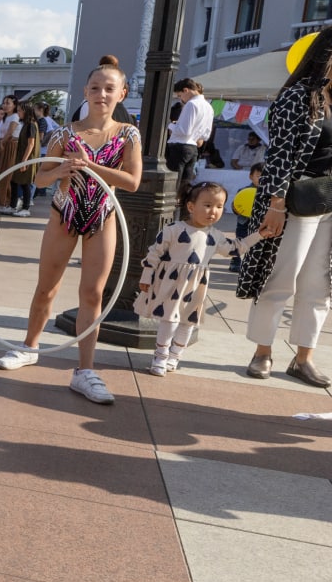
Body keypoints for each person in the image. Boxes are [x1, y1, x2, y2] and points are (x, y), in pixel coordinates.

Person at [0, 59, 143, 405]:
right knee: (47, 287)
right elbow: (39, 177)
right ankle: (30, 346)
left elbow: (133, 182)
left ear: (122, 93)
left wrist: (91, 166)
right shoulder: (63, 133)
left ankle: (85, 370)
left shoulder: (127, 134)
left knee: (92, 293)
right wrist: (62, 169)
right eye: (95, 88)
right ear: (84, 91)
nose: (101, 94)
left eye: (109, 88)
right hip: (64, 214)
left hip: (102, 218)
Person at [238, 26, 332, 386]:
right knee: (281, 279)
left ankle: (303, 357)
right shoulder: (298, 96)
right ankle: (263, 352)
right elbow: (278, 155)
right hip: (295, 200)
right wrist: (275, 202)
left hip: (328, 200)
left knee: (319, 286)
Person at [135, 181, 262, 376]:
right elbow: (155, 252)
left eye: (220, 207)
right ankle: (160, 356)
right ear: (191, 206)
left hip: (196, 286)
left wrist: (259, 235)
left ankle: (175, 356)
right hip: (171, 283)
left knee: (188, 322)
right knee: (169, 319)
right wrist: (147, 274)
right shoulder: (173, 229)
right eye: (208, 205)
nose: (214, 211)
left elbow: (237, 247)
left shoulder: (216, 235)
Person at [167, 78, 214, 203]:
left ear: (186, 90)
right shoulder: (209, 106)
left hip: (179, 146)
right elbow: (205, 134)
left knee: (173, 183)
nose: (180, 98)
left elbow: (184, 130)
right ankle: (184, 210)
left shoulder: (191, 104)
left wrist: (170, 125)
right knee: (185, 185)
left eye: (180, 95)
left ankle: (171, 209)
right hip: (193, 148)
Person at [8, 103, 41, 217]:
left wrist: (24, 161)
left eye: (20, 111)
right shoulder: (27, 124)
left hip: (27, 158)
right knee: (15, 181)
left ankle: (26, 208)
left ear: (26, 111)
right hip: (23, 157)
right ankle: (13, 206)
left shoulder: (31, 124)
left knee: (25, 183)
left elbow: (31, 144)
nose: (18, 113)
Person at [229, 162, 264, 272]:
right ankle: (235, 262)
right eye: (258, 176)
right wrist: (236, 209)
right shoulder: (243, 191)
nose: (262, 179)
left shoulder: (268, 194)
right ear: (251, 176)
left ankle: (252, 264)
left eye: (265, 177)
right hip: (243, 222)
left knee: (257, 244)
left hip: (259, 223)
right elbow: (235, 206)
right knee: (240, 242)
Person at [0, 96, 21, 213]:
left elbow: (10, 133)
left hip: (10, 146)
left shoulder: (14, 116)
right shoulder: (4, 117)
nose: (5, 105)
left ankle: (8, 201)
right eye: (4, 103)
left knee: (6, 174)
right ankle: (0, 201)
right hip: (2, 145)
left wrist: (2, 144)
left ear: (14, 105)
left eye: (8, 103)